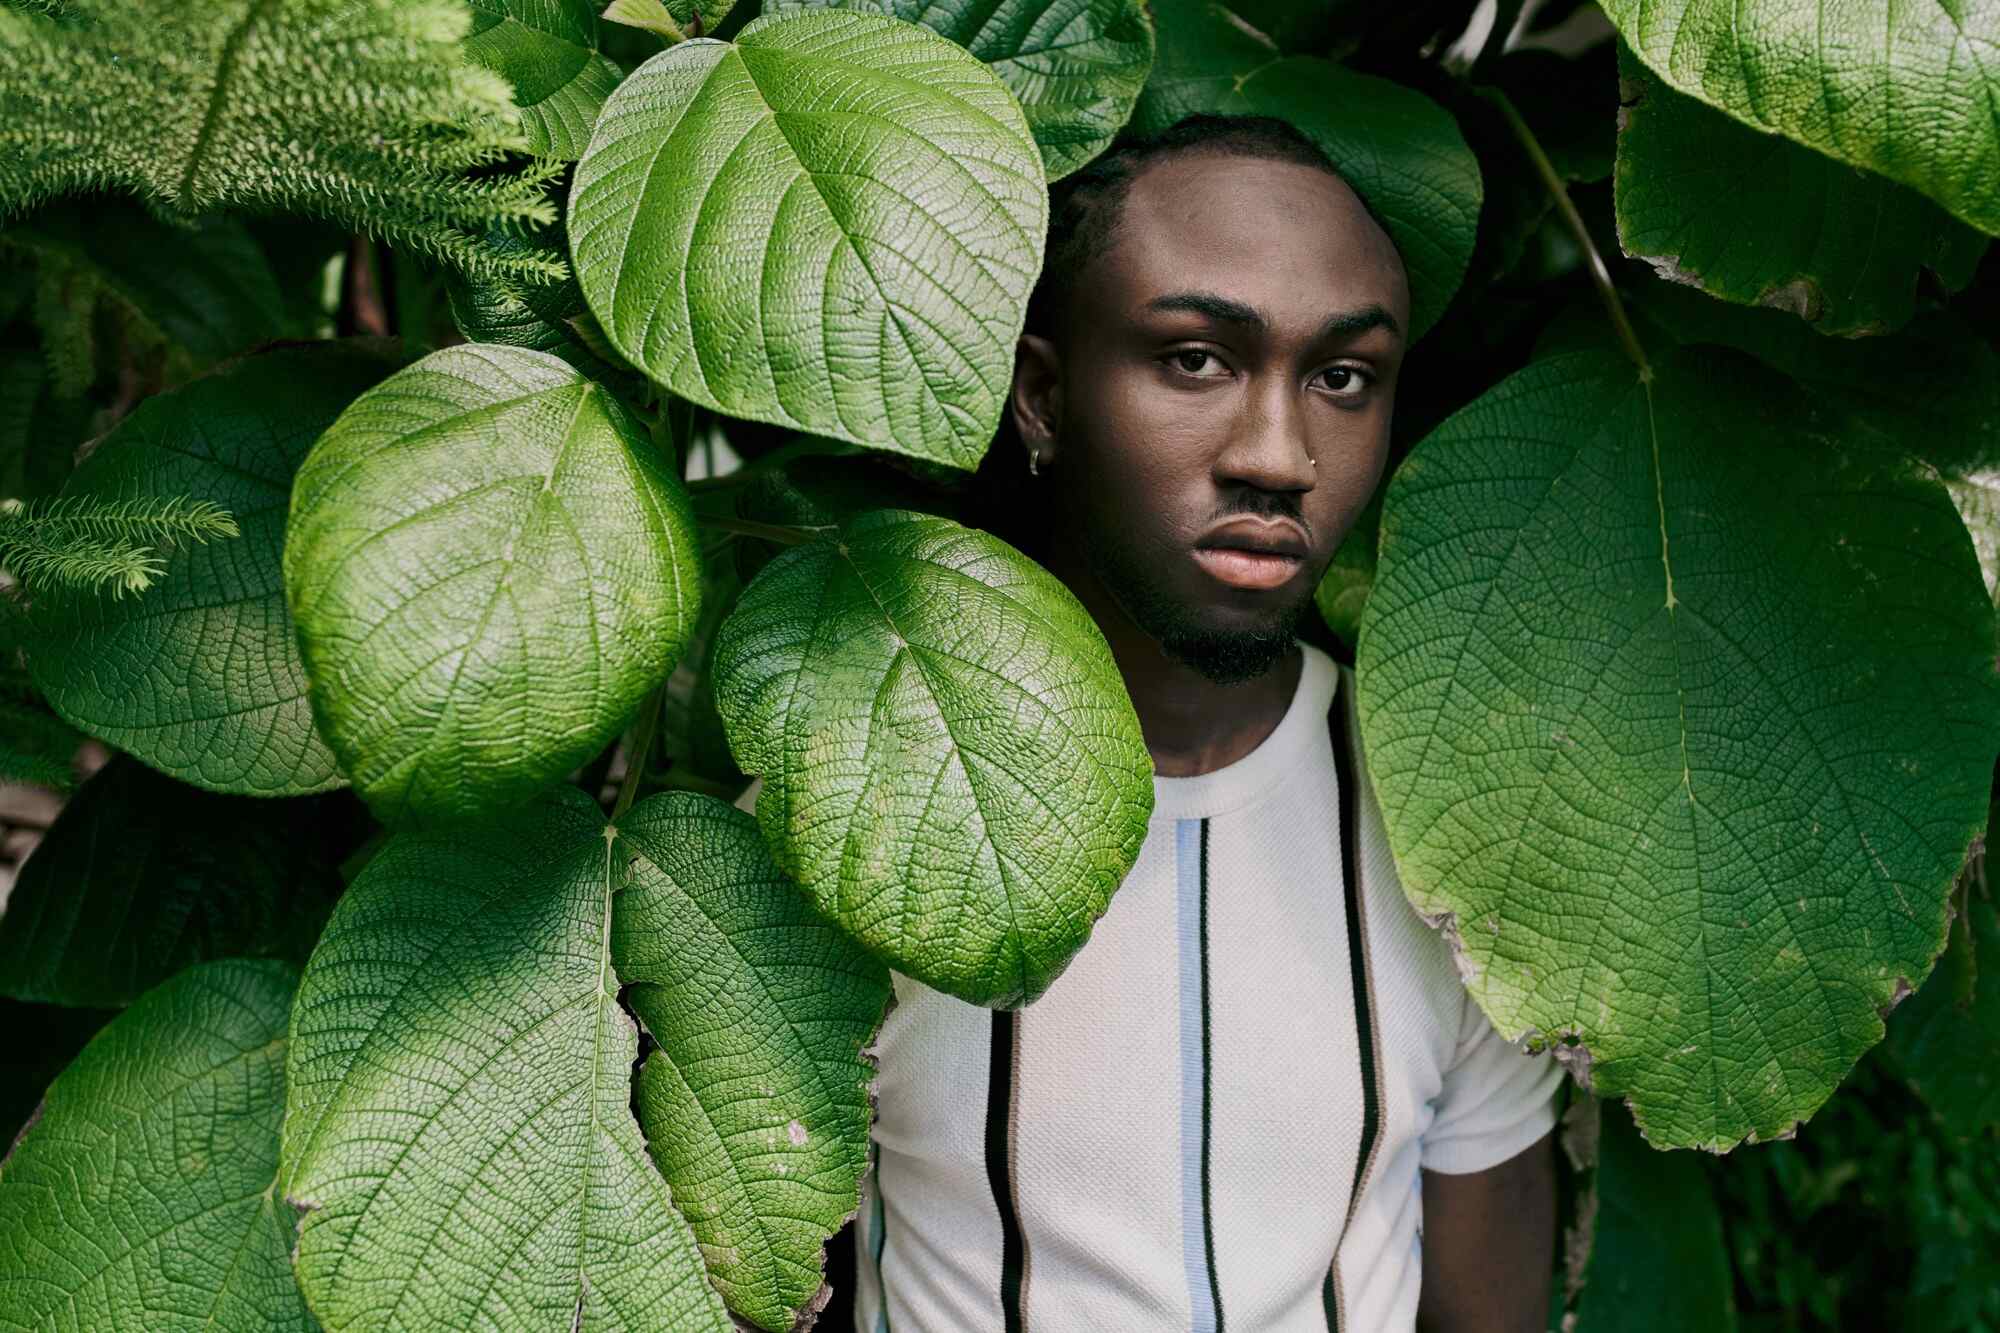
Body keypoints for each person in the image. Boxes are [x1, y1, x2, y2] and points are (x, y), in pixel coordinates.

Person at [850, 115, 1563, 1333]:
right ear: (1040, 393)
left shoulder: (1457, 838)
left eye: (1341, 378)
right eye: (1194, 358)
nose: (1278, 456)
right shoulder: (848, 798)